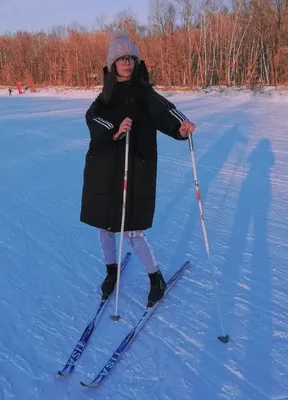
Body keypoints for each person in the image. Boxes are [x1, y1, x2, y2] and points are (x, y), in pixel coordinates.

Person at [80, 31, 196, 307]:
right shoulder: (104, 97)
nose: (127, 62)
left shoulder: (145, 94)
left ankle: (156, 278)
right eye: (121, 58)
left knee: (132, 230)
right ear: (112, 64)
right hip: (105, 170)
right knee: (105, 227)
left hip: (135, 168)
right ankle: (111, 271)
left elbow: (166, 112)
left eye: (131, 57)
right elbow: (92, 118)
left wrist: (180, 128)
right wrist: (115, 131)